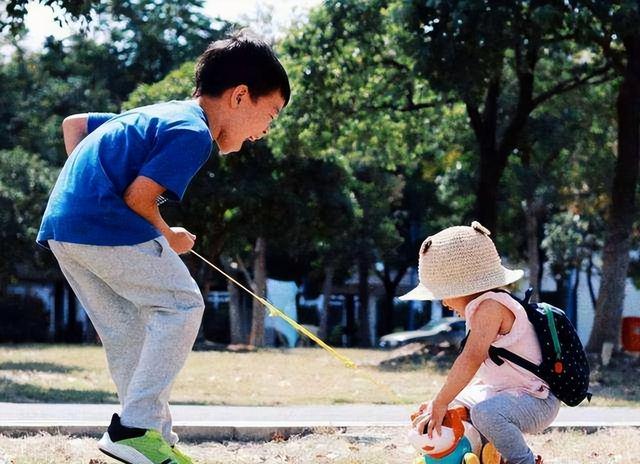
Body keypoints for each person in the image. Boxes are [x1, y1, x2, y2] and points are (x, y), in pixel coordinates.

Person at [36, 30, 290, 464]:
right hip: (103, 226)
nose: (265, 131)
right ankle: (134, 431)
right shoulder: (193, 132)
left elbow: (75, 124)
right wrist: (167, 235)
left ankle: (154, 441)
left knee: (128, 332)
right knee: (182, 306)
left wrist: (83, 187)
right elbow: (139, 198)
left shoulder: (159, 114)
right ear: (240, 96)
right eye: (271, 114)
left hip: (63, 228)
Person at [401, 222, 559, 464]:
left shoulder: (491, 307)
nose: (443, 303)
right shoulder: (482, 308)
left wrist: (440, 401)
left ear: (462, 286)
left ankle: (523, 461)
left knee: (484, 413)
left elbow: (470, 358)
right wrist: (442, 404)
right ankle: (484, 455)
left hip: (535, 401)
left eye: (443, 294)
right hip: (508, 394)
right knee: (458, 407)